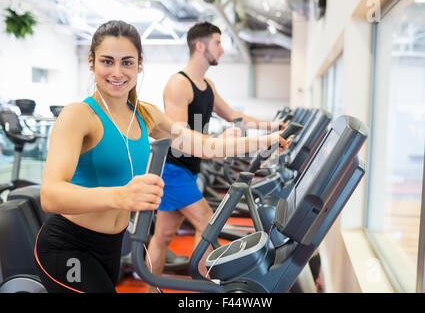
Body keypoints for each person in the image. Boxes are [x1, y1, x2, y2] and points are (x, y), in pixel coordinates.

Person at [33, 20, 288, 293]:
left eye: (127, 62)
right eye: (107, 61)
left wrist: (267, 140)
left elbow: (203, 145)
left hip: (112, 246)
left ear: (139, 65)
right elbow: (50, 195)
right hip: (69, 245)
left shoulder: (145, 114)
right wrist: (120, 196)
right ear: (91, 62)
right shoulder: (79, 115)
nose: (117, 72)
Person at [146, 22, 286, 291]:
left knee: (162, 236)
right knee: (207, 223)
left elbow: (236, 117)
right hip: (174, 171)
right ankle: (205, 286)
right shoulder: (179, 84)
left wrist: (271, 127)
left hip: (188, 171)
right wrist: (217, 143)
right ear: (201, 46)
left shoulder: (206, 85)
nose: (222, 49)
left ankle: (152, 290)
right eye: (218, 43)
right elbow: (178, 139)